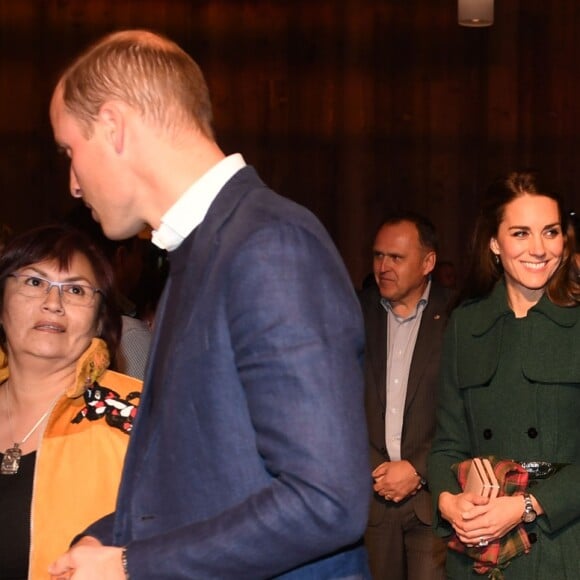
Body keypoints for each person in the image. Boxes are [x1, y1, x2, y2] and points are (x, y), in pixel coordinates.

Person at [48, 29, 370, 579]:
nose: (74, 184)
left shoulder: (267, 243)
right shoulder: (202, 251)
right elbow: (211, 483)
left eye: (70, 151)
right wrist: (101, 541)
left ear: (113, 126)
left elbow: (326, 501)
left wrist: (129, 565)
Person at [428, 170, 580, 578]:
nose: (539, 248)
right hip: (480, 551)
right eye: (520, 233)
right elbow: (446, 443)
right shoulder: (466, 324)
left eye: (550, 232)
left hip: (565, 546)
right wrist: (447, 501)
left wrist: (528, 506)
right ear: (494, 242)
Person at [0, 224, 142, 580]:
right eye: (34, 282)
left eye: (75, 290)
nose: (53, 303)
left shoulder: (138, 419)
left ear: (99, 321)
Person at [359, 212, 448, 580]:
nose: (384, 267)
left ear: (428, 262)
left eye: (396, 258)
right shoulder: (355, 312)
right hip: (372, 500)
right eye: (379, 256)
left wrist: (417, 469)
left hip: (433, 502)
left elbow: (467, 410)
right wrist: (375, 467)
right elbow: (337, 402)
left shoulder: (459, 316)